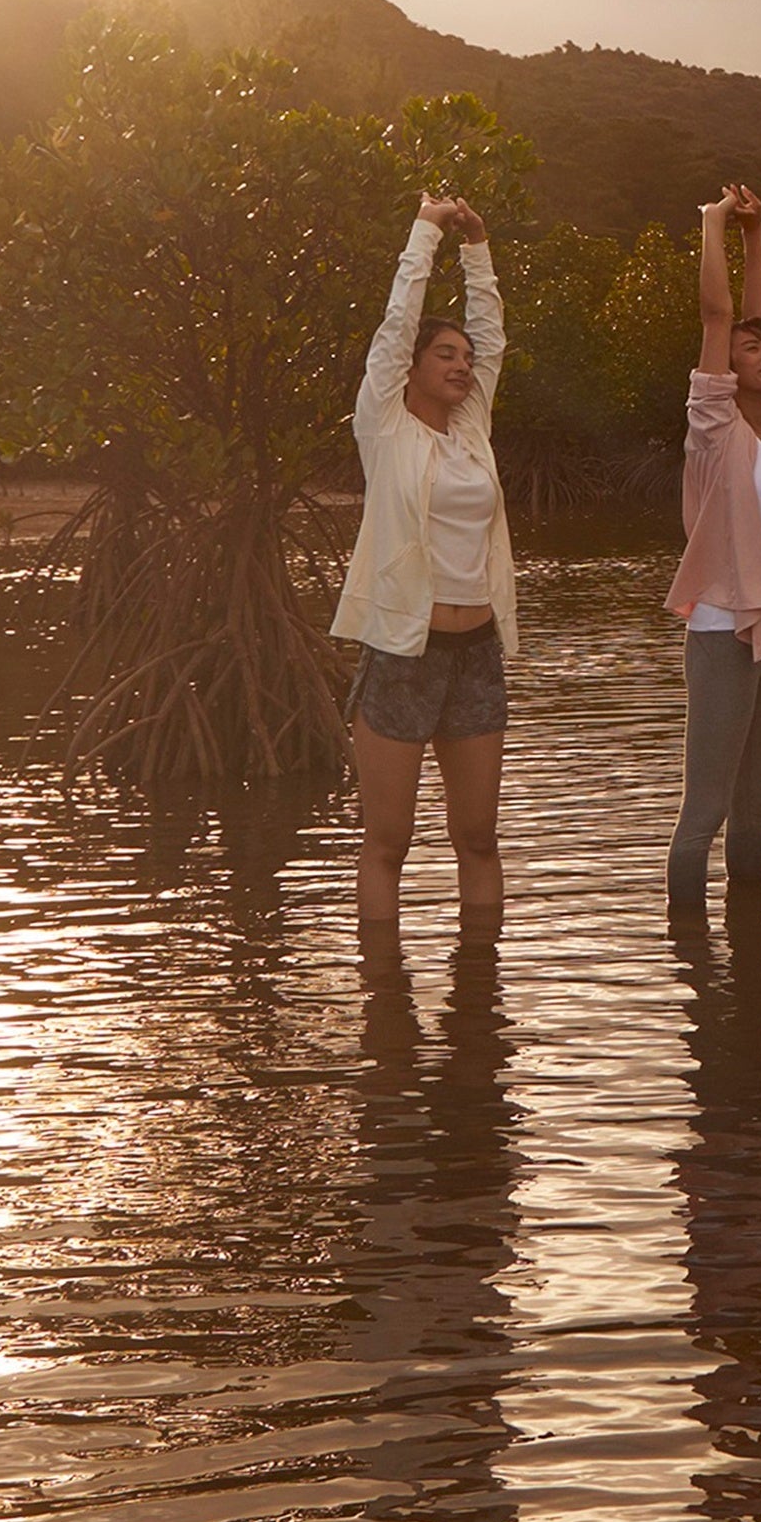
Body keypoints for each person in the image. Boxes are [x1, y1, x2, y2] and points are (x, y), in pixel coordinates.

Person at [336, 194, 515, 976]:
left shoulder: (471, 430)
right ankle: (385, 1002)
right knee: (389, 842)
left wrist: (479, 249)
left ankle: (482, 999)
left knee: (478, 837)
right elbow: (392, 326)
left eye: (464, 359)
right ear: (411, 367)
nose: (462, 366)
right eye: (445, 356)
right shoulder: (385, 427)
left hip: (476, 653)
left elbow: (495, 338)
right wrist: (428, 231)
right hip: (404, 653)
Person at [665, 184, 761, 897]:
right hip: (725, 632)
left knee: (755, 811)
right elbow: (720, 313)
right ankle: (693, 965)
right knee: (707, 812)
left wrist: (759, 234)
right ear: (723, 367)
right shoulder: (714, 428)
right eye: (749, 351)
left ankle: (752, 965)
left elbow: (758, 311)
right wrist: (714, 224)